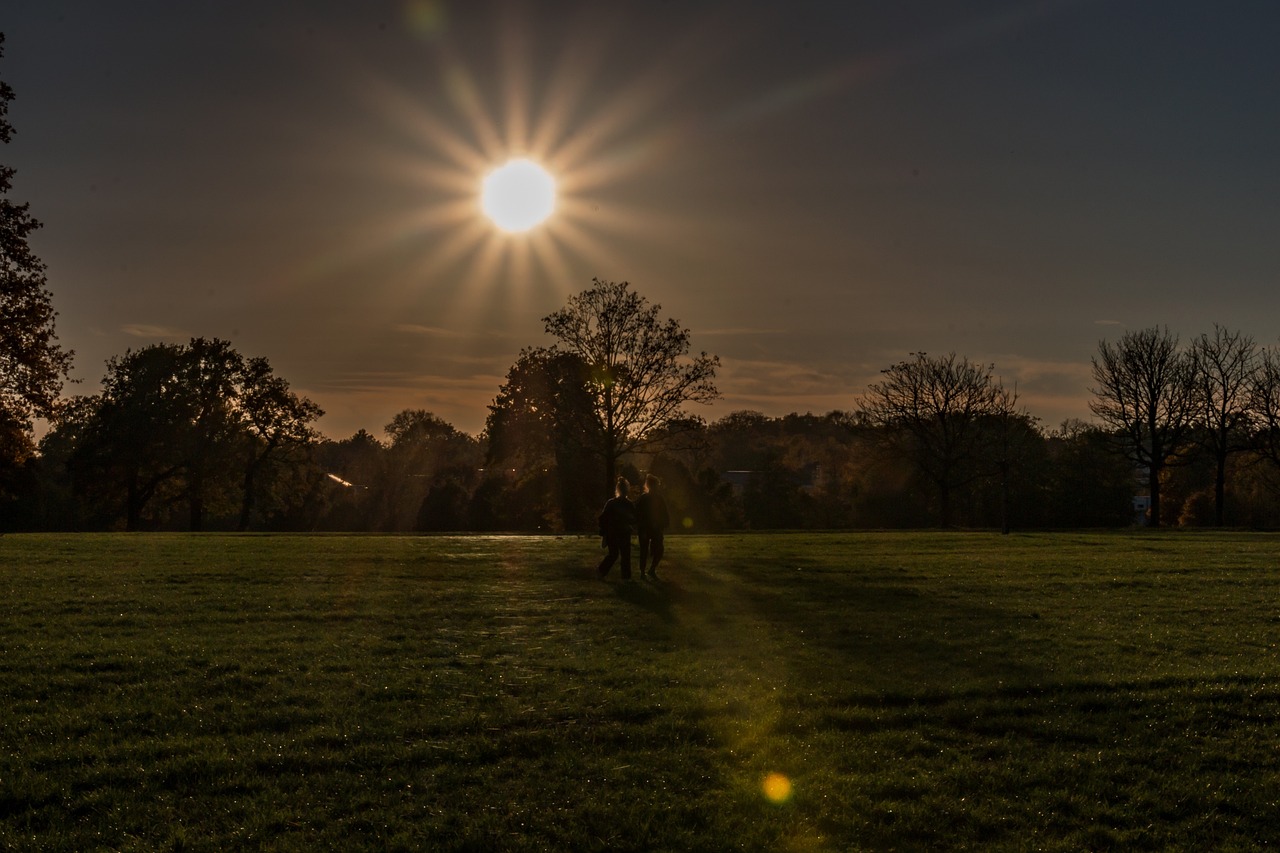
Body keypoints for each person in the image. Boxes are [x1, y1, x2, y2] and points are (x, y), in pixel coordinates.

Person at [597, 477, 636, 580]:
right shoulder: (629, 504)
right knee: (625, 556)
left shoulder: (611, 503)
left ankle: (601, 571)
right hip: (623, 532)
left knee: (613, 554)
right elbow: (634, 519)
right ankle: (626, 577)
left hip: (612, 533)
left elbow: (603, 518)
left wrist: (604, 531)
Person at [635, 473, 670, 580]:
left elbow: (664, 514)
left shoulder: (648, 498)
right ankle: (647, 571)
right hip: (650, 528)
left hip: (649, 529)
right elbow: (664, 513)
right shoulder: (649, 498)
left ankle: (648, 571)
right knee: (649, 550)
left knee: (651, 550)